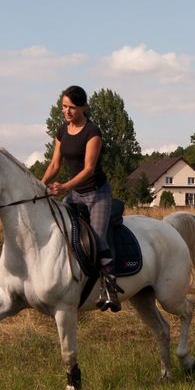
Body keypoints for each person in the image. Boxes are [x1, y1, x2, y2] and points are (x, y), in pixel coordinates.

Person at [41, 85, 121, 312]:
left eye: (72, 107)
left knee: (97, 237)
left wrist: (64, 186)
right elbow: (55, 164)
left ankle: (110, 288)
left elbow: (88, 169)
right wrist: (39, 185)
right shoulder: (62, 131)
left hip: (97, 193)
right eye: (64, 106)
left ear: (84, 107)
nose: (67, 111)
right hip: (76, 194)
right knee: (62, 230)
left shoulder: (92, 132)